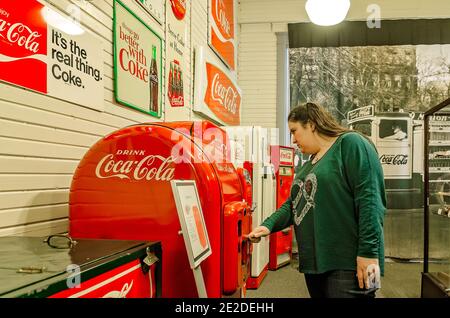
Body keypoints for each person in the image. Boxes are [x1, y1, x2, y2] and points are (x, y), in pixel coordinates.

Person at [247, 102, 386, 298]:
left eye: (295, 131)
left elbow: (371, 201)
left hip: (349, 263)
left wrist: (369, 253)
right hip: (315, 264)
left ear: (311, 124)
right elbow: (294, 204)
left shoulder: (351, 143)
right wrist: (268, 226)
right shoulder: (309, 164)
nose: (293, 140)